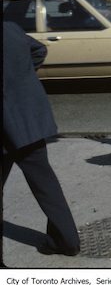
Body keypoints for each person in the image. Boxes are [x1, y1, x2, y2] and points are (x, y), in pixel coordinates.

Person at [2, 22, 81, 256]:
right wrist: (22, 77)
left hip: (8, 126)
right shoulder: (10, 29)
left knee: (44, 183)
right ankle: (68, 241)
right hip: (28, 121)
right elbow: (39, 50)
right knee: (45, 184)